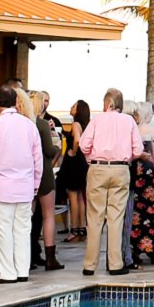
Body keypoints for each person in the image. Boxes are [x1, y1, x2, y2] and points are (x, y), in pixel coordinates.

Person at [0, 85, 42, 283]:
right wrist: (35, 184)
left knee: (1, 228)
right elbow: (37, 159)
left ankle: (6, 272)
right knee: (23, 230)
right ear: (16, 102)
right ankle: (22, 270)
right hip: (24, 186)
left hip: (1, 186)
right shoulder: (29, 125)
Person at [78, 89, 143, 278]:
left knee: (95, 217)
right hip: (121, 168)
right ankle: (115, 264)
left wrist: (92, 158)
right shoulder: (129, 121)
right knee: (116, 217)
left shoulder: (97, 120)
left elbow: (83, 145)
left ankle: (90, 265)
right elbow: (138, 149)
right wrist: (125, 158)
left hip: (98, 168)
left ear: (106, 103)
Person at [127, 113, 154, 267]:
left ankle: (135, 249)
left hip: (134, 174)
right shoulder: (150, 129)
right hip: (148, 174)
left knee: (136, 213)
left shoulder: (131, 129)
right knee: (153, 212)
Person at [29, 88, 63, 273]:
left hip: (27, 174)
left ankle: (26, 257)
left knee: (27, 217)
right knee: (48, 216)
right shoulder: (41, 124)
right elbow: (50, 151)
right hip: (44, 173)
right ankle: (51, 258)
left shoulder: (23, 123)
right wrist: (56, 143)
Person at [56, 101, 90, 239]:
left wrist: (73, 151)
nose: (71, 107)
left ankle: (74, 229)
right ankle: (82, 228)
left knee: (73, 196)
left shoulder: (76, 124)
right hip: (82, 163)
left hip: (74, 162)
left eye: (74, 106)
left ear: (79, 111)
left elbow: (76, 139)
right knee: (81, 196)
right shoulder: (86, 125)